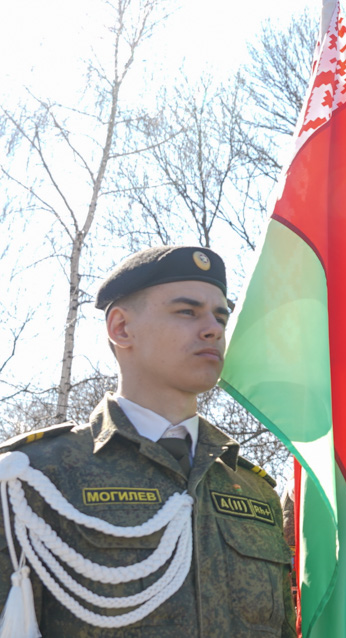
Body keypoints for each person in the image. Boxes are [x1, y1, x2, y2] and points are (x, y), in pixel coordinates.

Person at [0, 246, 296, 637]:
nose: (214, 329)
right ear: (121, 328)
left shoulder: (255, 491)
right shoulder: (33, 477)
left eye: (220, 316)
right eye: (187, 311)